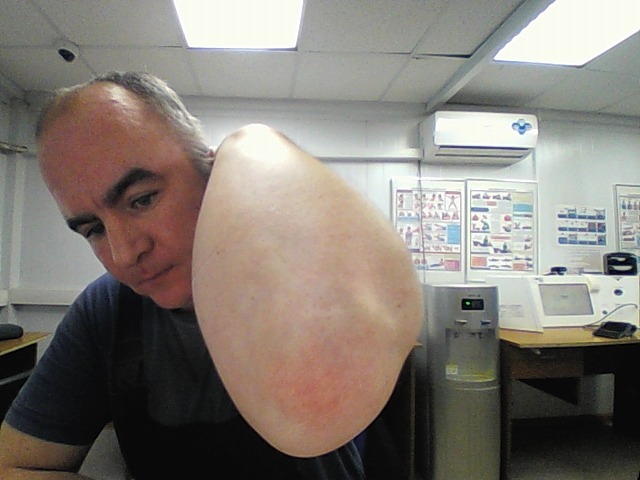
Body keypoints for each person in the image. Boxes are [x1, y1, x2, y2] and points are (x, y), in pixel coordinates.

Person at [0, 72, 417, 479]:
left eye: (142, 200)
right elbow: (12, 465)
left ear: (211, 172)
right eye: (93, 229)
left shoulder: (300, 276)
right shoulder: (108, 309)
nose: (124, 254)